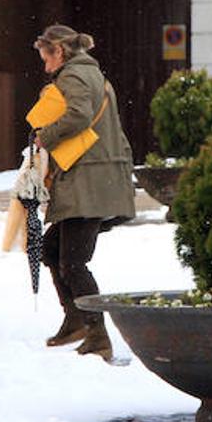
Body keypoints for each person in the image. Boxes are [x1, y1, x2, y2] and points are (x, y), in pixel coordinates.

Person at [27, 24, 136, 362]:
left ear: (59, 52)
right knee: (51, 249)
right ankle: (76, 321)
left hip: (89, 181)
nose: (45, 67)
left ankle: (97, 334)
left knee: (73, 262)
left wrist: (45, 136)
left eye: (46, 58)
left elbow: (79, 116)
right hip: (98, 177)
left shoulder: (73, 76)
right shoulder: (94, 74)